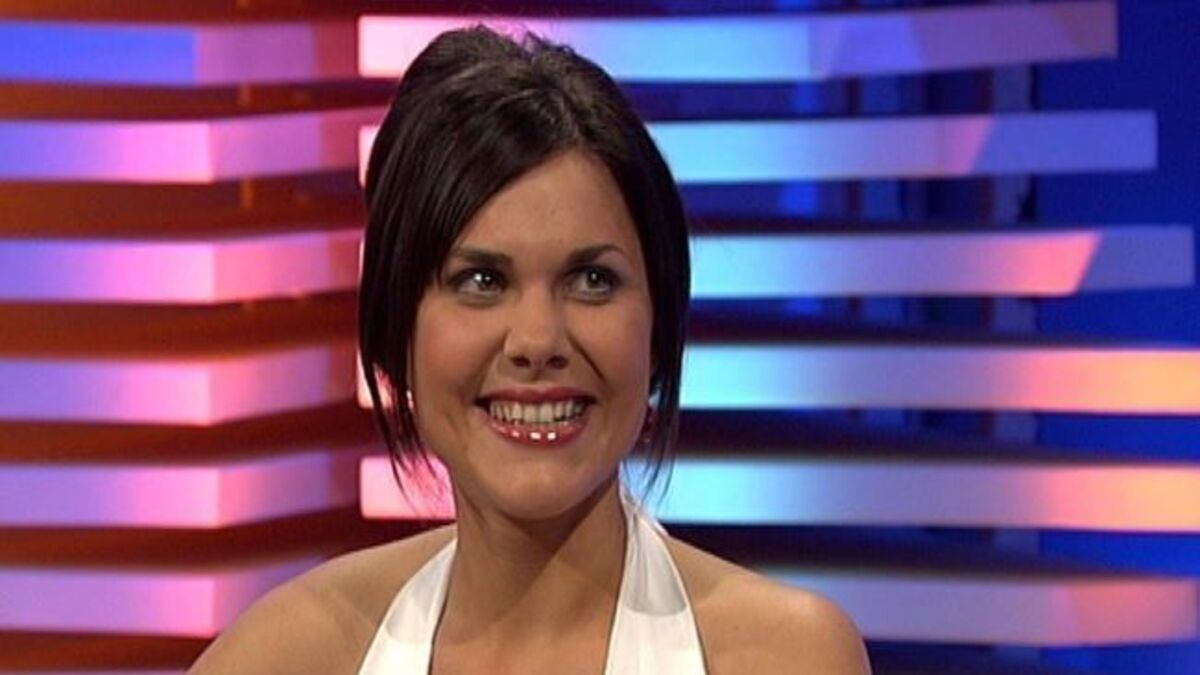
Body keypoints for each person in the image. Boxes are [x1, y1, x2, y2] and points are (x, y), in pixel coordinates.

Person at [190, 25, 870, 674]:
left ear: (658, 329)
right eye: (482, 281)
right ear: (398, 330)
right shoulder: (291, 653)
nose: (538, 341)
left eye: (592, 280)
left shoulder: (789, 655)